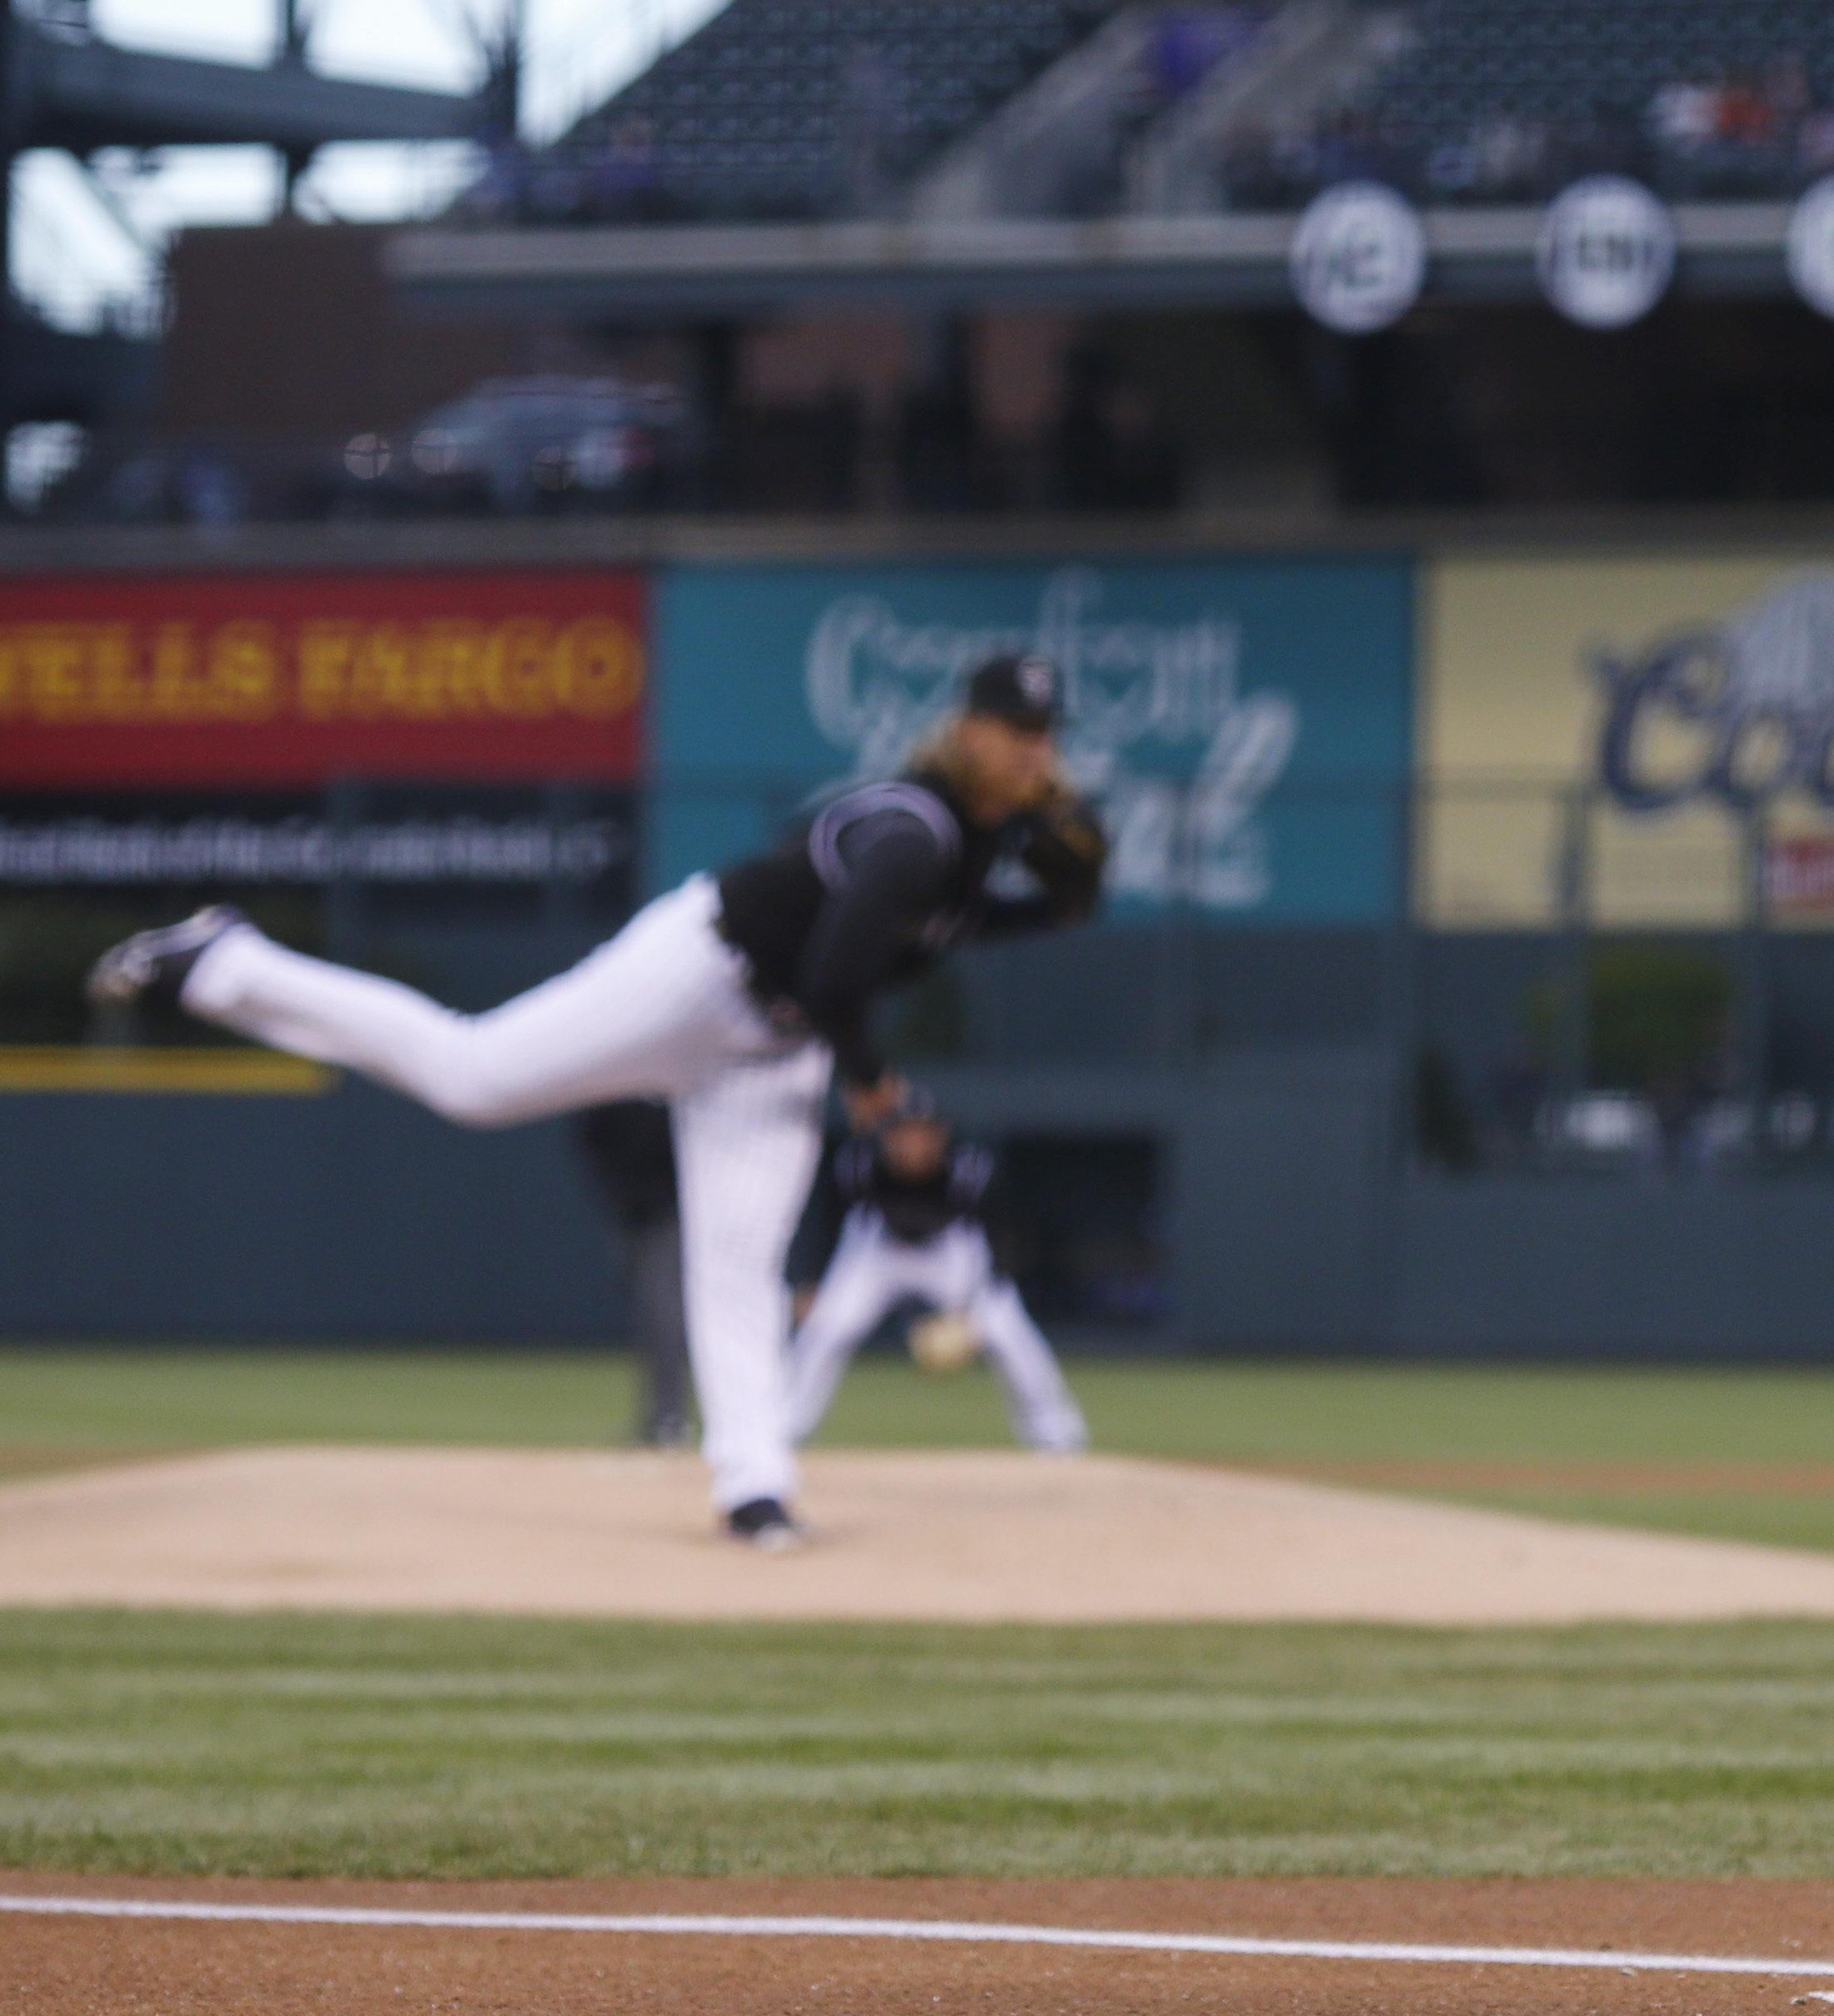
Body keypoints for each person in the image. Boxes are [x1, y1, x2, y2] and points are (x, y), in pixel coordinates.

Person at [88, 654, 1109, 1552]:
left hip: (770, 1049)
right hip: (703, 974)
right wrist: (875, 1083)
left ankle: (755, 1486)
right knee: (472, 1076)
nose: (1031, 750)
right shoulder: (914, 829)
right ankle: (227, 963)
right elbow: (843, 973)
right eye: (1014, 729)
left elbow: (939, 932)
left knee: (740, 1267)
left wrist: (1059, 908)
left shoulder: (970, 847)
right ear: (968, 728)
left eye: (1043, 733)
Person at [783, 1092, 1086, 1455]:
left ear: (941, 1137)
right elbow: (830, 1226)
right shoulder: (858, 1163)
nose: (912, 1143)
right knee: (828, 1325)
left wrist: (975, 1307)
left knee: (1007, 1327)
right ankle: (785, 1431)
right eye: (902, 1132)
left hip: (950, 1250)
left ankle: (1058, 1436)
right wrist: (815, 1282)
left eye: (923, 1133)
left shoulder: (969, 1167)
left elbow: (999, 1236)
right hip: (877, 1248)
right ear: (886, 1136)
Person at [572, 1099, 690, 1447]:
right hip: (630, 1211)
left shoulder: (669, 1092)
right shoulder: (614, 1092)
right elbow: (589, 1140)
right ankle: (660, 1418)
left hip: (669, 1212)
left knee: (663, 1310)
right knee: (650, 1312)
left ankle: (670, 1421)